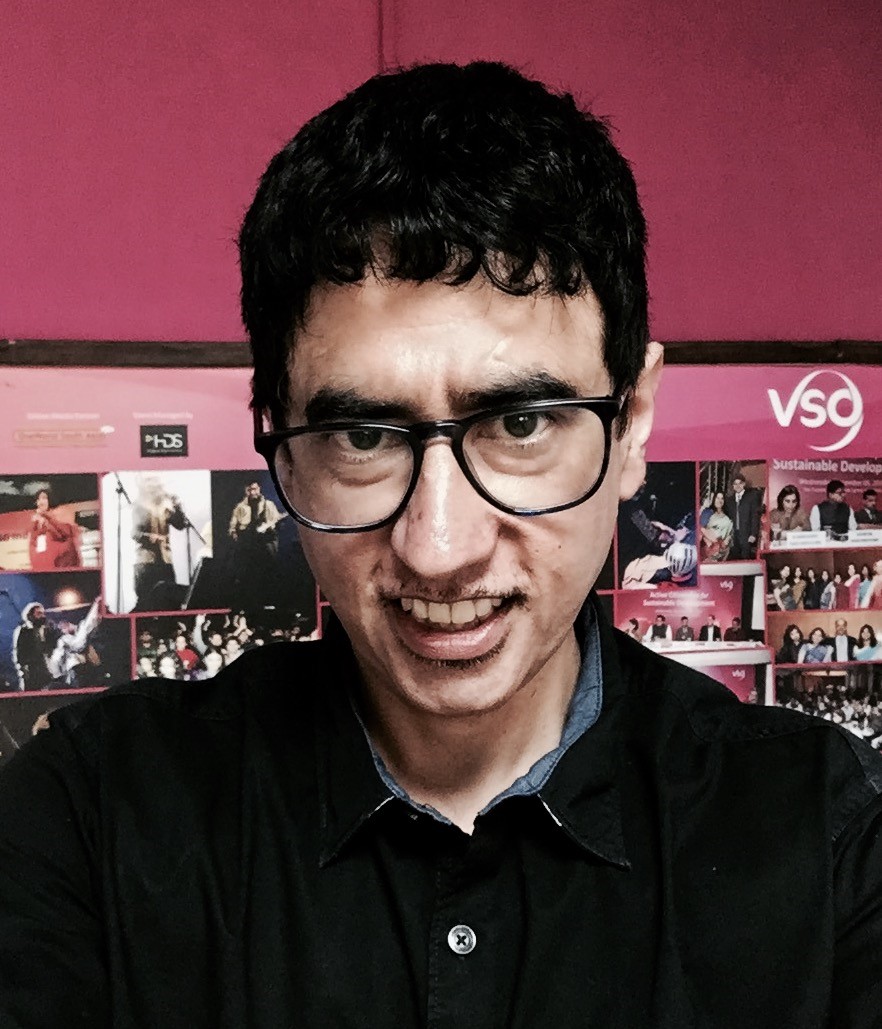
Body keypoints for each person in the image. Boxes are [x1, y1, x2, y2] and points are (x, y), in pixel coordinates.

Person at [2, 61, 882, 1027]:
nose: (438, 547)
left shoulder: (828, 837)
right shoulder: (88, 816)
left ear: (631, 423)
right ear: (277, 444)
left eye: (520, 424)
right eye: (363, 436)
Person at [131, 475, 188, 610]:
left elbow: (180, 525)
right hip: (146, 562)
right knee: (146, 602)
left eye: (155, 481)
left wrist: (177, 506)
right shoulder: (139, 506)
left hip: (165, 560)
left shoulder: (166, 505)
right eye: (149, 481)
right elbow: (135, 533)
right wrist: (151, 537)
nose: (153, 485)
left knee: (170, 602)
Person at [11, 602, 61, 690]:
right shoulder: (24, 631)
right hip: (31, 670)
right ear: (31, 615)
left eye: (43, 613)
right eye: (39, 613)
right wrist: (22, 668)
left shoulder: (47, 629)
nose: (42, 616)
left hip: (46, 669)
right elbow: (19, 651)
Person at [27, 489, 81, 570]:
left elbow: (64, 533)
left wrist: (47, 516)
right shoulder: (37, 518)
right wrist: (35, 524)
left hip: (62, 563)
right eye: (38, 499)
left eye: (44, 498)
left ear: (50, 499)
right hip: (45, 563)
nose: (40, 502)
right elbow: (33, 541)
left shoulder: (60, 512)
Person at [722, 474, 761, 559]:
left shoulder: (751, 497)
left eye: (740, 483)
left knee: (745, 558)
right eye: (735, 484)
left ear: (744, 484)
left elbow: (754, 516)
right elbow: (728, 517)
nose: (738, 486)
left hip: (746, 534)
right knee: (734, 558)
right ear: (733, 486)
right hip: (733, 535)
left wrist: (753, 534)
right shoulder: (729, 500)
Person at [700, 490, 733, 562]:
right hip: (709, 549)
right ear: (714, 499)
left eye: (722, 498)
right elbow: (701, 528)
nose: (720, 501)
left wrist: (728, 539)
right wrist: (712, 542)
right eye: (717, 498)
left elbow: (730, 531)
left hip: (723, 550)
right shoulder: (708, 512)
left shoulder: (727, 514)